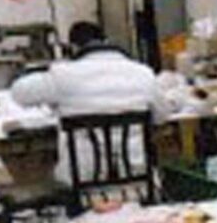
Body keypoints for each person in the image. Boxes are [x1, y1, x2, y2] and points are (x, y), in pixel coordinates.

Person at [12, 21, 175, 186]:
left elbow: (18, 93)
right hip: (137, 177)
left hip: (82, 179)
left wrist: (49, 74)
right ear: (106, 41)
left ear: (73, 48)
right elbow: (162, 116)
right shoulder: (143, 73)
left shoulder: (64, 74)